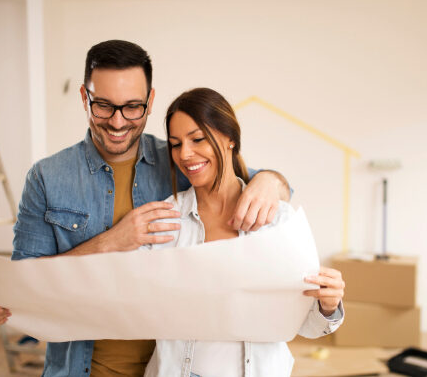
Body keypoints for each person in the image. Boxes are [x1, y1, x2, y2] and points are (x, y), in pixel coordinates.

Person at [0, 40, 292, 377]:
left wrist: (272, 181)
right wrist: (110, 243)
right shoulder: (47, 177)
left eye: (132, 107)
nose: (117, 122)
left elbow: (242, 180)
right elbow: (24, 283)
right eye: (103, 105)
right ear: (84, 97)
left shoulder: (179, 161)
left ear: (150, 101)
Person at [143, 87, 345, 377]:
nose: (185, 154)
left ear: (230, 139)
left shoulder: (279, 221)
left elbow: (307, 326)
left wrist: (328, 304)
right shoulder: (165, 219)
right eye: (175, 144)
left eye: (198, 139)